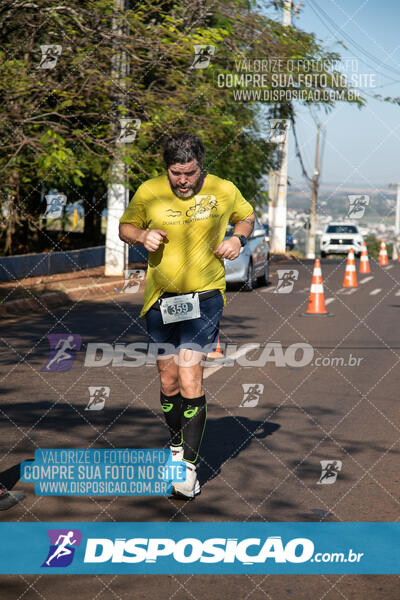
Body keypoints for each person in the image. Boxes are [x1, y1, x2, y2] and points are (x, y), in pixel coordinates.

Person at [119, 133, 254, 498]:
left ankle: (188, 471)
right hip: (161, 299)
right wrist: (141, 236)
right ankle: (176, 446)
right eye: (176, 173)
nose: (182, 180)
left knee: (190, 374)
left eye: (189, 173)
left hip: (205, 296)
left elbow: (247, 217)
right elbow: (124, 227)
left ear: (200, 167)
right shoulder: (148, 191)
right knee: (168, 381)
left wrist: (238, 239)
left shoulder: (224, 190)